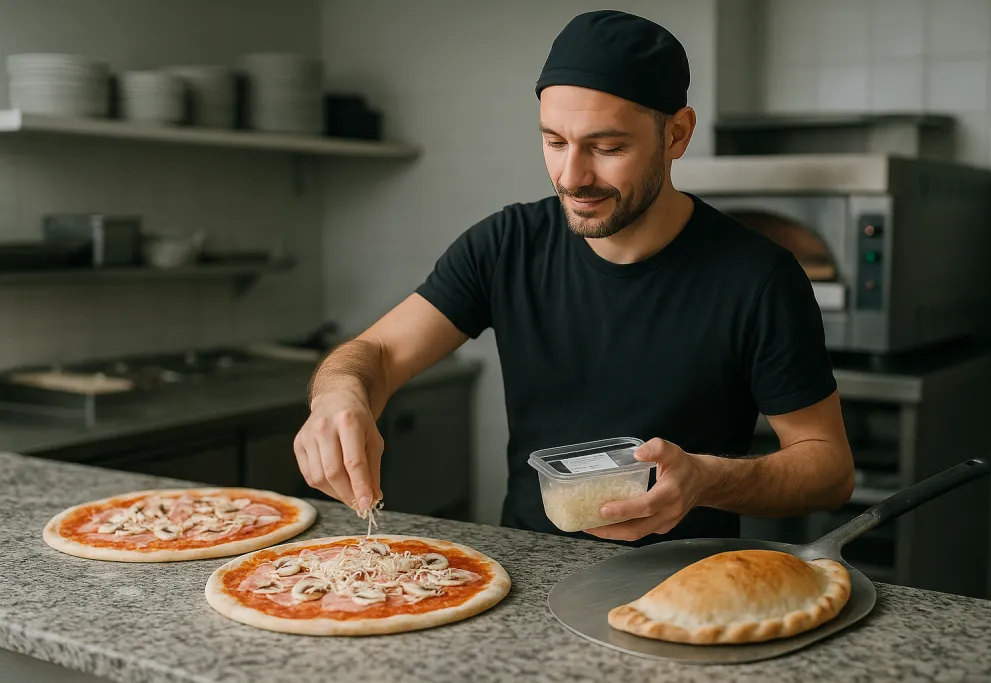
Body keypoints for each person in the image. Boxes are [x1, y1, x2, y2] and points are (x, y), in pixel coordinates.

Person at [293, 9, 855, 546]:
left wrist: (705, 480)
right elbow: (379, 354)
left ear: (676, 136)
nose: (572, 176)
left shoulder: (758, 277)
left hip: (684, 585)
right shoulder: (507, 244)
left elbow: (827, 466)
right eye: (554, 142)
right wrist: (339, 394)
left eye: (607, 147)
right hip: (528, 575)